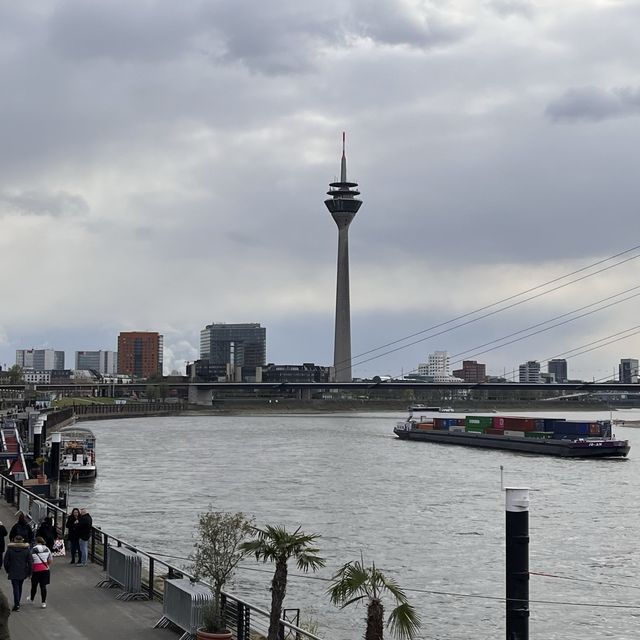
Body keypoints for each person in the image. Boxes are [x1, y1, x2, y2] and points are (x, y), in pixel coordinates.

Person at [3, 535, 32, 611]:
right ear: (22, 540)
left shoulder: (10, 549)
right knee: (20, 586)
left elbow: (5, 561)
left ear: (14, 540)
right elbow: (30, 562)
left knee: (15, 587)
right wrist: (29, 572)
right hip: (22, 571)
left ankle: (17, 604)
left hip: (13, 570)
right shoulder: (26, 550)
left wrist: (8, 570)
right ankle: (17, 602)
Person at [28, 536, 51, 609]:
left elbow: (30, 561)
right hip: (45, 570)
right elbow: (50, 560)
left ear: (36, 542)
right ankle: (43, 602)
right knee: (43, 587)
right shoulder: (47, 549)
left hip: (36, 570)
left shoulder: (33, 549)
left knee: (34, 586)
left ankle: (32, 599)